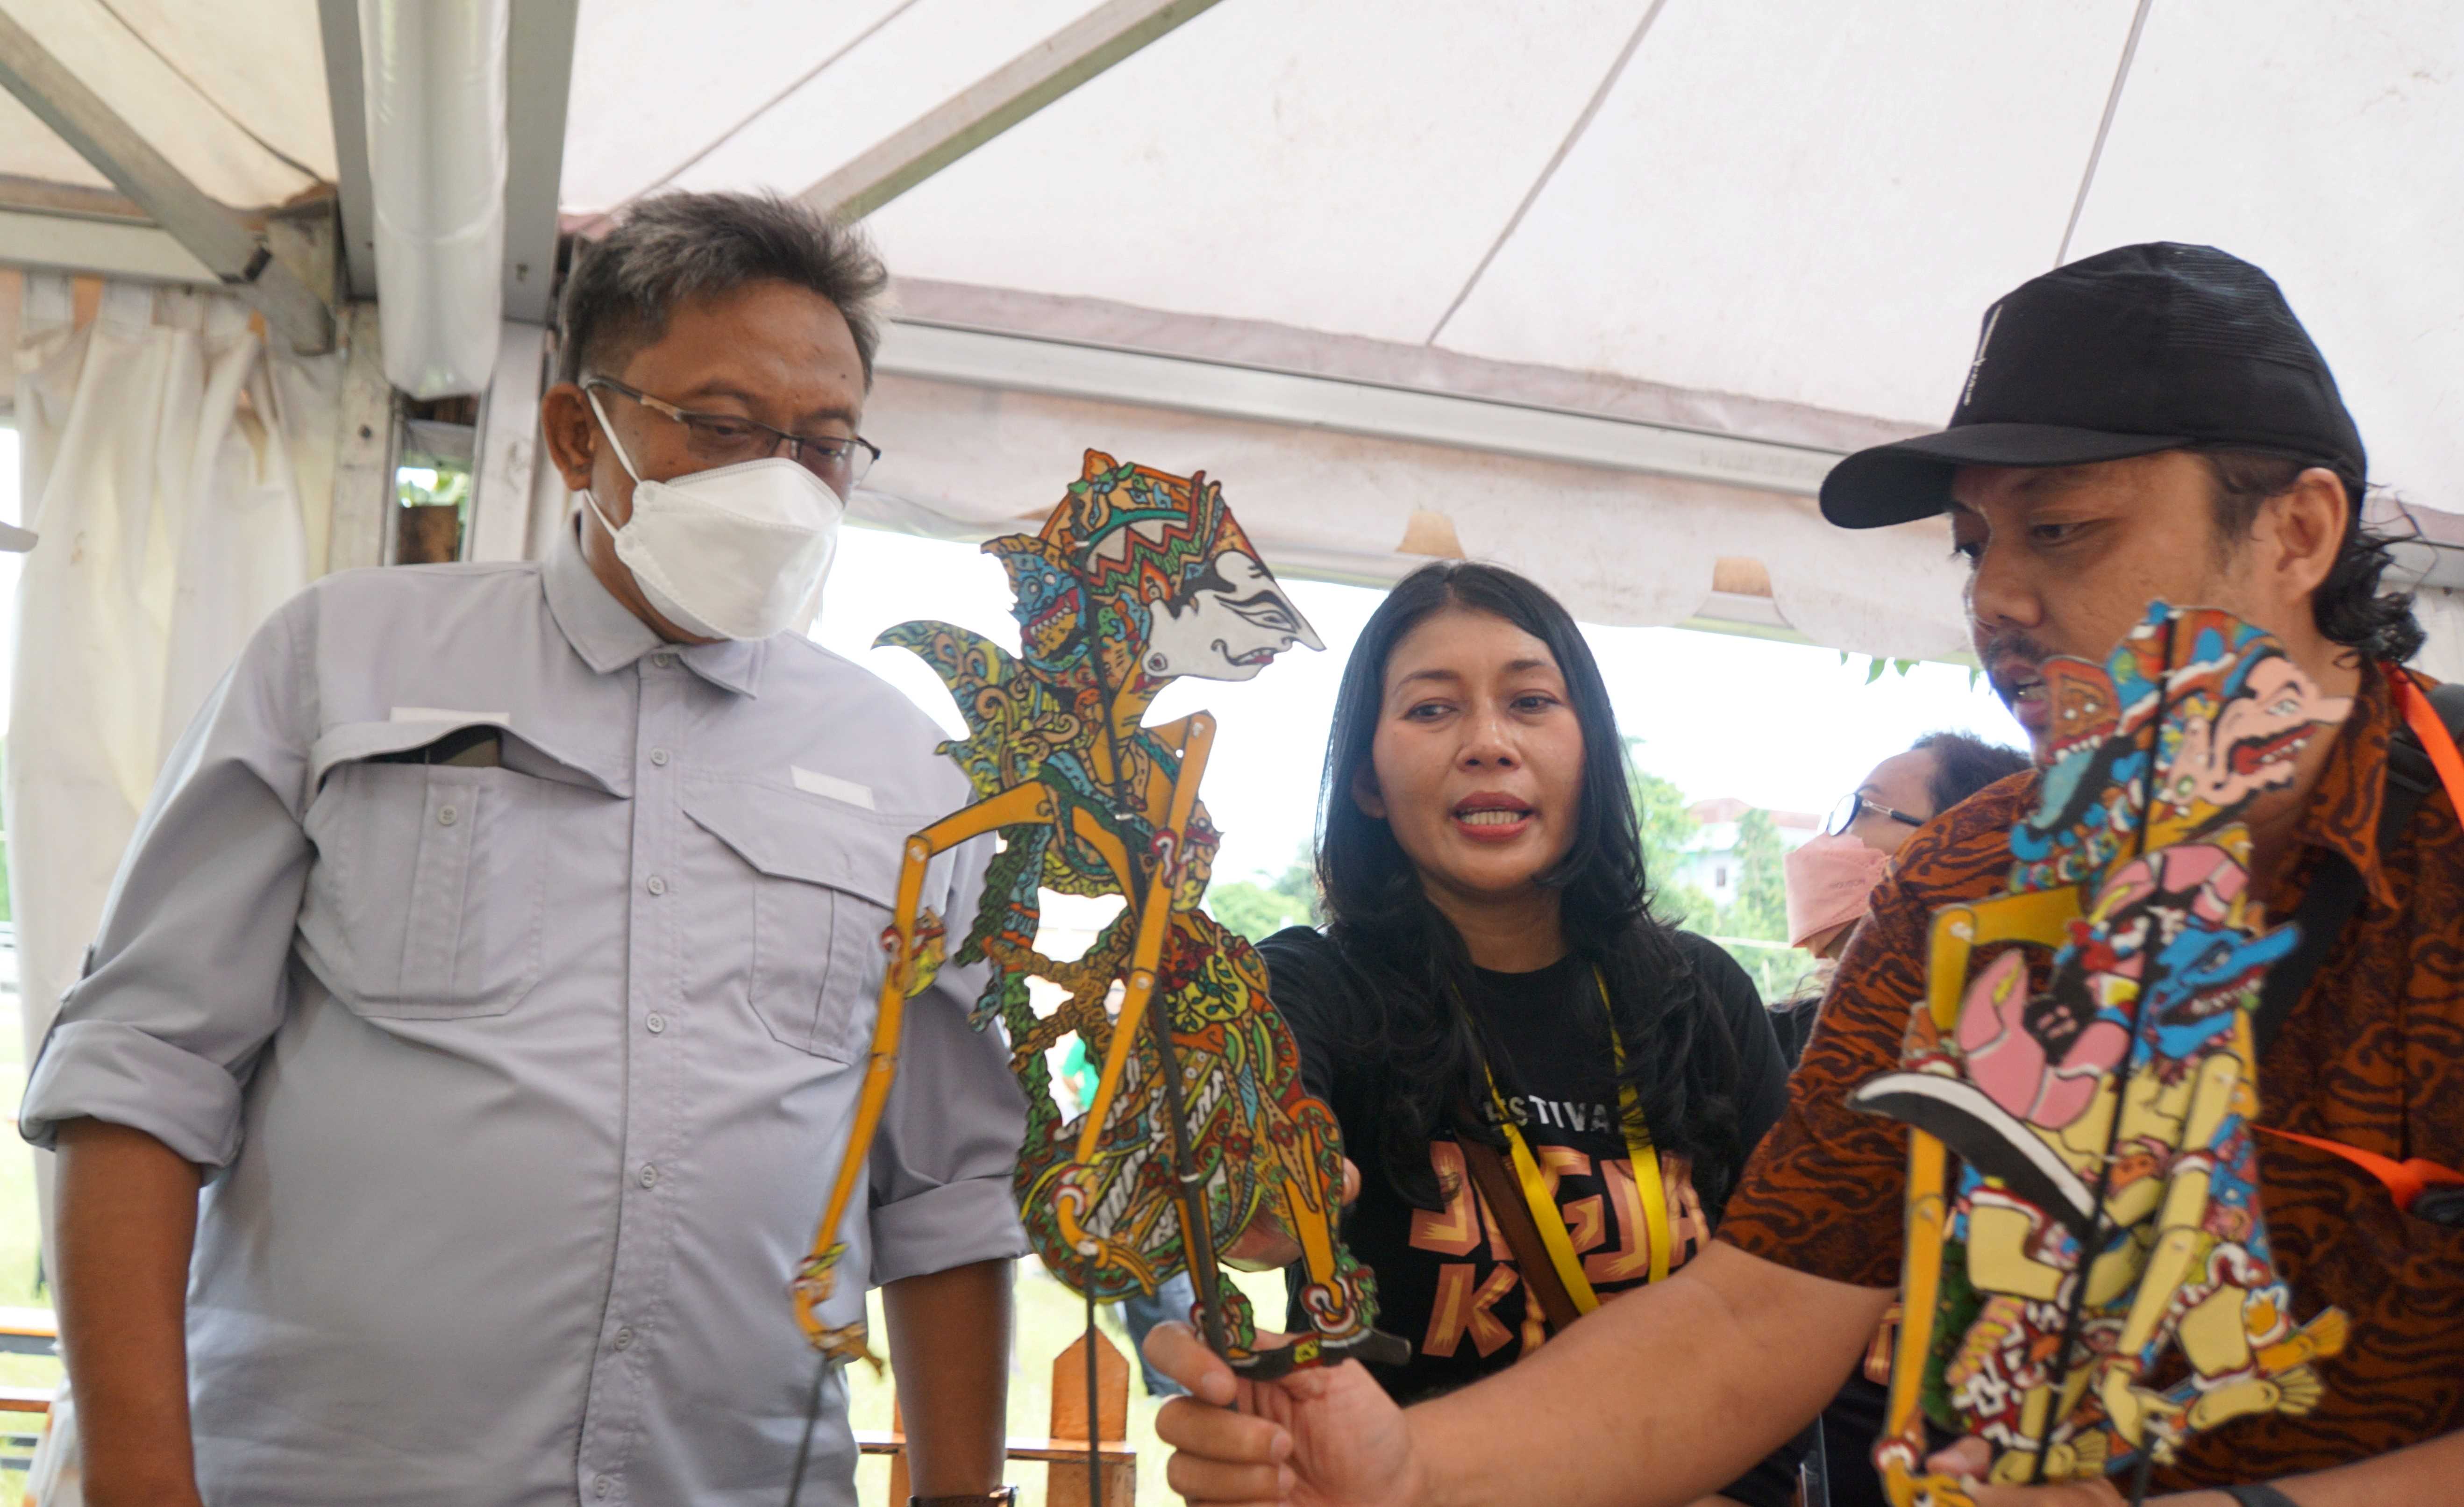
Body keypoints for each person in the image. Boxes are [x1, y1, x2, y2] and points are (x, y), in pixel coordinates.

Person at [1146, 242, 2464, 1505]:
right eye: (1972, 543)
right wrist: (1413, 1474)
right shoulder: (1975, 878)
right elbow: (1757, 1311)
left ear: (2295, 533)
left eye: (2061, 531)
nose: (1995, 596)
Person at [21, 192, 1027, 1507]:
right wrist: (140, 1487)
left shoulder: (918, 774)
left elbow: (946, 1191)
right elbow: (138, 1084)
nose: (780, 482)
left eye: (824, 446)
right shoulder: (345, 658)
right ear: (575, 429)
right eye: (723, 426)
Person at [1247, 561, 1800, 1506]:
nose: (1488, 743)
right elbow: (1252, 1192)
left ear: (1590, 750)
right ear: (1368, 782)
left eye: (1532, 700)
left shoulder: (1700, 994)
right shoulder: (1310, 986)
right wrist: (1253, 1186)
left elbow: (1786, 1320)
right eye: (1431, 710)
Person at [1773, 731, 2031, 1065]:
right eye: (1840, 815)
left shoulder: (2018, 1068)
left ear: (1957, 853)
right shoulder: (1780, 1041)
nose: (1827, 838)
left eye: (1862, 809)